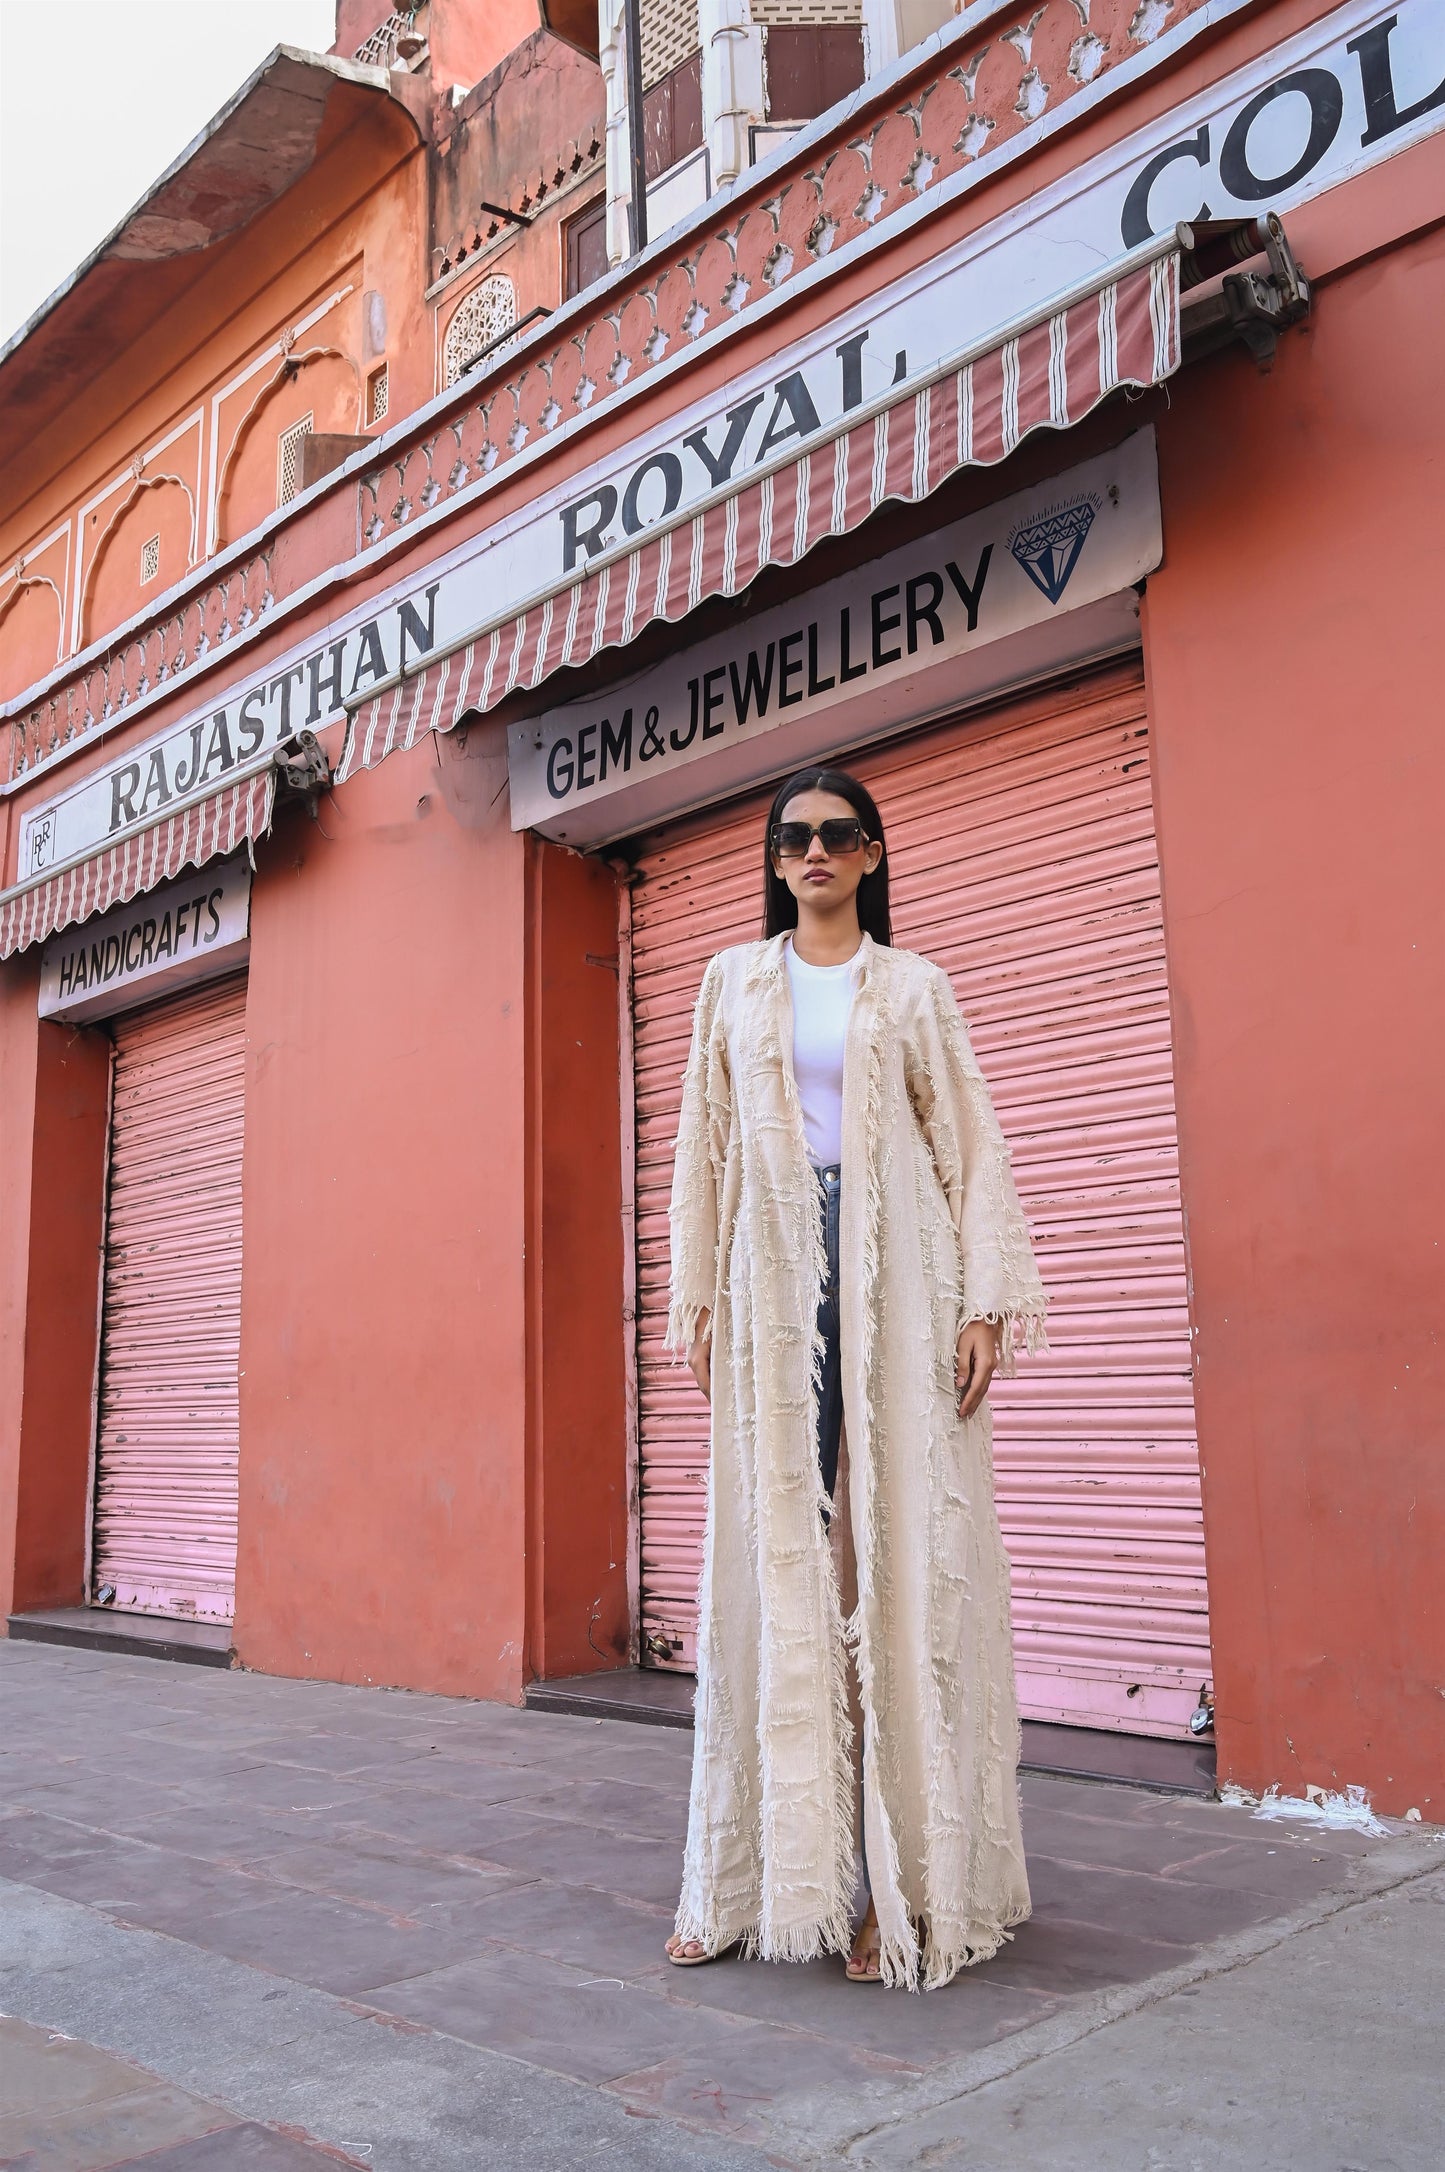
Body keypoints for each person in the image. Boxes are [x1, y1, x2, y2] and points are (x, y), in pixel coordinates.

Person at [663, 765, 1048, 1990]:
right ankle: (746, 1885)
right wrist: (704, 1299)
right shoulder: (730, 980)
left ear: (873, 855)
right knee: (774, 1564)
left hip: (902, 1280)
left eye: (836, 836)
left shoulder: (912, 989)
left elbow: (967, 1142)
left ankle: (903, 1894)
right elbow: (699, 1147)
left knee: (895, 1568)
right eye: (793, 839)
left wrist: (985, 1299)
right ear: (774, 861)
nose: (814, 854)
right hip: (773, 1282)